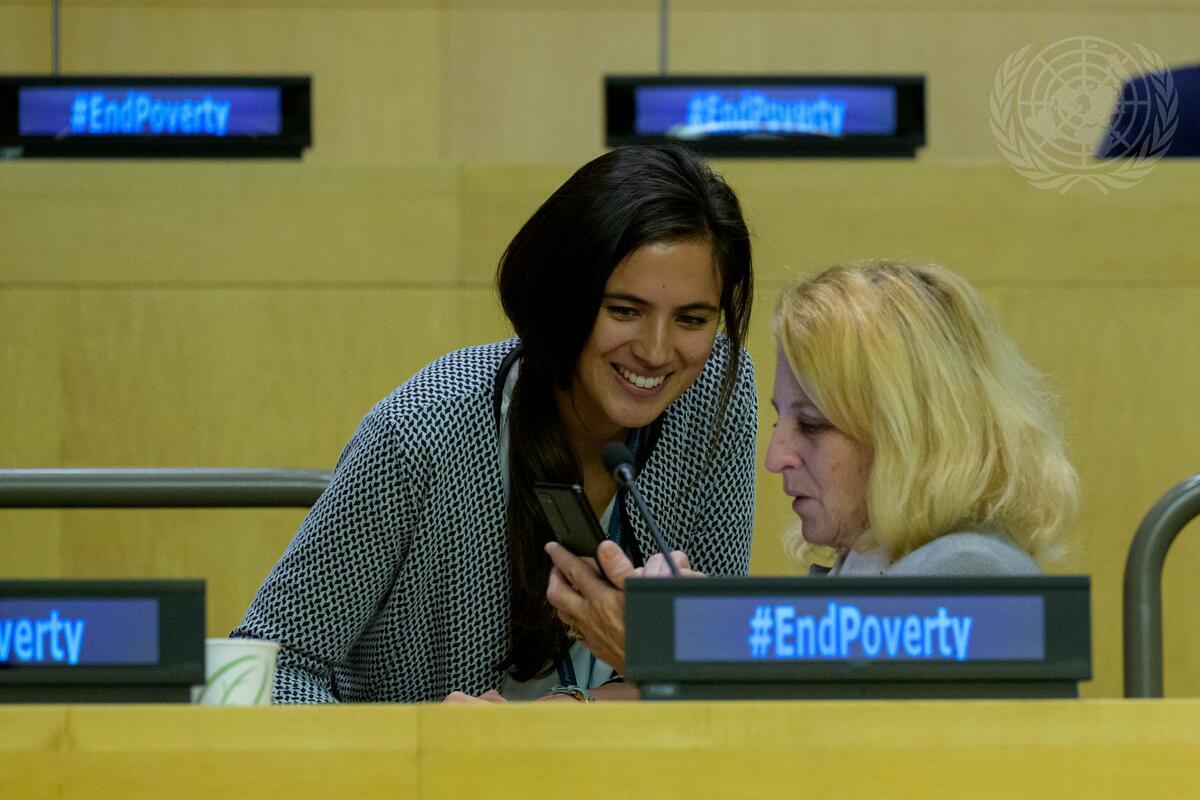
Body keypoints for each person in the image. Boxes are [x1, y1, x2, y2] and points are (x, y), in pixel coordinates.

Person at [232, 144, 758, 703]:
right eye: (623, 311)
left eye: (693, 319)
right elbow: (271, 667)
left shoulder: (716, 392)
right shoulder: (424, 429)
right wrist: (418, 748)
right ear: (563, 302)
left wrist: (565, 719)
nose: (656, 351)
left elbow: (709, 673)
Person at [546, 260, 1078, 674]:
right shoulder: (869, 562)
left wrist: (677, 643)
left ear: (912, 433)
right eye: (781, 420)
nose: (777, 458)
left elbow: (847, 754)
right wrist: (689, 621)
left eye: (814, 426)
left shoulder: (974, 575)